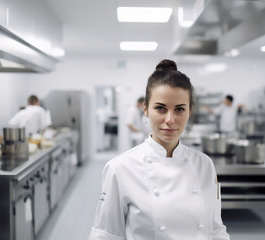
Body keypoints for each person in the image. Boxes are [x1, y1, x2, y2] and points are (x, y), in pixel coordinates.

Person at [89, 59, 230, 240]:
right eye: (161, 108)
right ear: (146, 110)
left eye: (179, 109)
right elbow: (106, 236)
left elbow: (216, 229)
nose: (170, 119)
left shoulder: (205, 165)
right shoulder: (120, 169)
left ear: (190, 111)